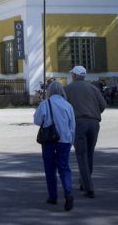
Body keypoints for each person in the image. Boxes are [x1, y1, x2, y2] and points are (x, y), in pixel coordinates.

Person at [65, 65, 107, 199]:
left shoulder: (68, 89)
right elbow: (103, 105)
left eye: (72, 74)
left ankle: (89, 188)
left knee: (81, 155)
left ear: (75, 75)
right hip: (94, 123)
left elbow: (64, 107)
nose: (71, 76)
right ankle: (84, 182)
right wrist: (93, 113)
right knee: (89, 154)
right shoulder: (93, 88)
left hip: (79, 123)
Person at [33, 81, 75, 211]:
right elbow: (72, 126)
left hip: (49, 140)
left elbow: (37, 120)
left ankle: (53, 196)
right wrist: (71, 141)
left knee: (50, 168)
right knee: (64, 167)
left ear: (49, 91)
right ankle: (68, 193)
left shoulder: (45, 104)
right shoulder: (68, 105)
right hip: (65, 140)